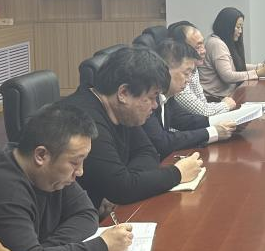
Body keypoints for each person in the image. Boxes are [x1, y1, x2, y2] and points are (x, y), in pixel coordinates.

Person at [0, 103, 135, 251]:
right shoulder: (5, 190)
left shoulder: (52, 174)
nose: (80, 171)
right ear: (41, 155)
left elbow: (87, 214)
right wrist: (103, 246)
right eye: (75, 162)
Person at [59, 45, 203, 208]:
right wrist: (177, 174)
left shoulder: (122, 111)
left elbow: (147, 152)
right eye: (151, 97)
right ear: (124, 93)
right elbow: (121, 188)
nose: (155, 105)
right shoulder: (83, 119)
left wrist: (128, 183)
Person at [146, 38, 236, 155]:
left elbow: (188, 121)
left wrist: (228, 122)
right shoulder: (148, 101)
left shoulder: (168, 97)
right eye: (186, 73)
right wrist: (212, 132)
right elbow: (164, 142)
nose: (188, 80)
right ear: (165, 70)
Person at [199, 6, 265, 99]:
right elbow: (228, 76)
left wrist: (261, 67)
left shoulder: (222, 40)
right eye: (238, 27)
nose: (240, 31)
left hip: (225, 96)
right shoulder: (216, 44)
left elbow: (235, 66)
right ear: (227, 26)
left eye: (241, 27)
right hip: (215, 99)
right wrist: (257, 73)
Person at [167, 20, 237, 117]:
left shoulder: (194, 69)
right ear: (182, 48)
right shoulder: (177, 77)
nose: (204, 51)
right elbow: (203, 112)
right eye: (198, 47)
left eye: (203, 44)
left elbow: (203, 103)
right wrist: (225, 105)